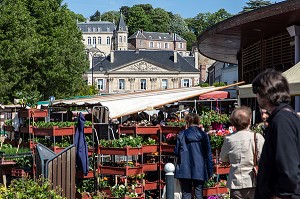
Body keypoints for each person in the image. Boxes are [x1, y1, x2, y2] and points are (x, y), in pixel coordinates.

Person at [252, 69, 300, 199]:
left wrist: (281, 196)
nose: (256, 97)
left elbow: (289, 169)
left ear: (265, 93)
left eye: (257, 93)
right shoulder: (284, 116)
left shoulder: (282, 120)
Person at [220, 106, 264, 199]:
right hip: (253, 180)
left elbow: (223, 158)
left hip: (236, 181)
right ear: (249, 121)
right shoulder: (257, 137)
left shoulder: (229, 139)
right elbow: (264, 158)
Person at [174, 113, 213, 199]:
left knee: (186, 194)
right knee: (199, 194)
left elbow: (176, 152)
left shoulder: (181, 134)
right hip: (200, 168)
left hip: (184, 168)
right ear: (198, 121)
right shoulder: (203, 135)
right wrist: (210, 171)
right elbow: (208, 154)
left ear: (187, 122)